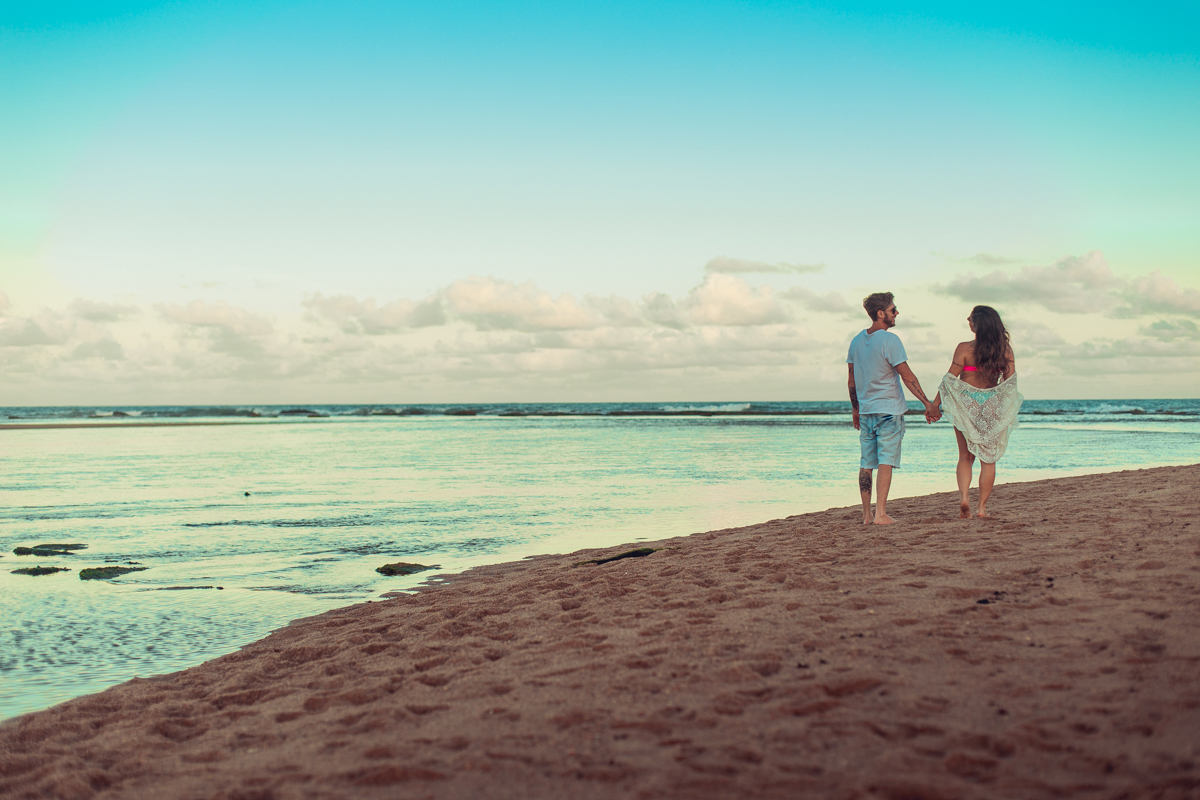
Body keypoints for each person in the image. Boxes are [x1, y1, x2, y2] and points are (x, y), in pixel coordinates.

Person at [847, 292, 940, 525]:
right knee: (886, 460)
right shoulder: (890, 341)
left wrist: (855, 409)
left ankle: (867, 515)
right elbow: (907, 377)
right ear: (881, 314)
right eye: (893, 309)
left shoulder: (856, 341)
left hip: (867, 411)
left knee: (867, 462)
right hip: (889, 411)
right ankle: (881, 514)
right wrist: (927, 404)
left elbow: (851, 380)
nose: (896, 312)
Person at [929, 305, 1023, 519]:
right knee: (988, 460)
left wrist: (935, 405)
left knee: (965, 456)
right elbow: (1009, 386)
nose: (967, 320)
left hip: (966, 407)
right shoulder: (1005, 351)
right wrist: (1003, 411)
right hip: (990, 408)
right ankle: (981, 509)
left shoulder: (963, 348)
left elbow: (949, 381)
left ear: (977, 325)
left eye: (970, 318)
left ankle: (964, 497)